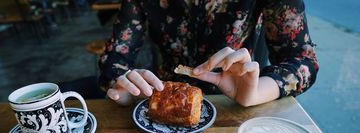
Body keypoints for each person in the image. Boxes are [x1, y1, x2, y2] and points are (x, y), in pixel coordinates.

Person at [98, 0, 318, 107]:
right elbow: (116, 55)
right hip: (163, 99)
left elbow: (303, 59)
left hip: (233, 104)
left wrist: (257, 91)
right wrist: (124, 84)